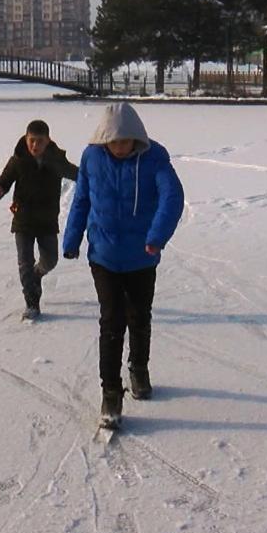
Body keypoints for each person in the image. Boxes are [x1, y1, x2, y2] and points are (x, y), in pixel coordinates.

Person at [62, 103, 184, 429]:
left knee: (139, 316)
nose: (120, 147)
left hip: (142, 254)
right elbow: (82, 199)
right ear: (104, 139)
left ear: (136, 139)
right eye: (114, 142)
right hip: (103, 255)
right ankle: (111, 393)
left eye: (126, 141)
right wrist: (72, 238)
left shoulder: (154, 157)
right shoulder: (92, 157)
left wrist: (156, 236)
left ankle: (139, 369)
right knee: (112, 320)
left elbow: (172, 197)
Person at [0, 120, 79, 321]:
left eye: (39, 141)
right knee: (25, 263)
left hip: (47, 220)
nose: (34, 146)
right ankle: (32, 303)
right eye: (31, 141)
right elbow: (5, 178)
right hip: (23, 220)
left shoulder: (56, 160)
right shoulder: (18, 160)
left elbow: (75, 173)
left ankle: (37, 275)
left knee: (51, 260)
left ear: (48, 140)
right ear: (26, 138)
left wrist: (94, 177)